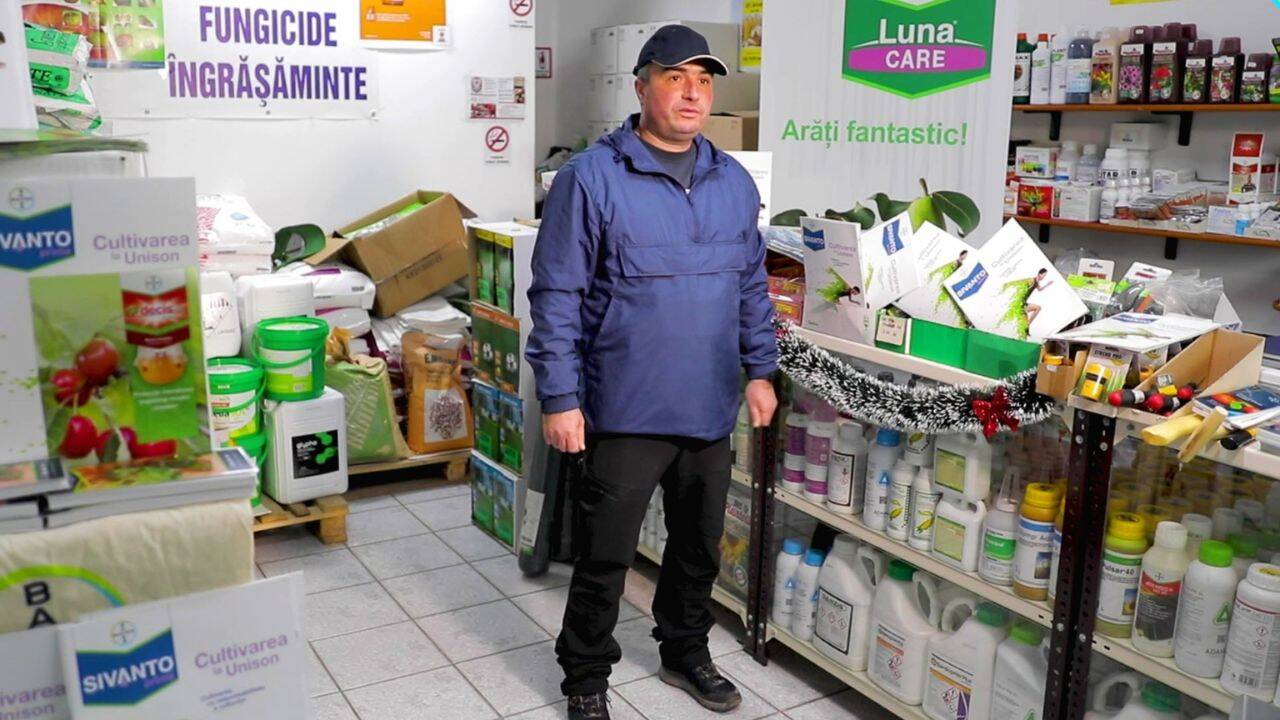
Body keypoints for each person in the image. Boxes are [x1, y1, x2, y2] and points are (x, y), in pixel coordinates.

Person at [525, 24, 778, 720]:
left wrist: (760, 371)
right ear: (641, 87)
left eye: (704, 80)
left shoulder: (732, 183)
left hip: (708, 402)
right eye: (674, 77)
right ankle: (585, 678)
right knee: (606, 558)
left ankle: (684, 653)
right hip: (624, 407)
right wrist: (560, 397)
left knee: (698, 550)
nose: (692, 92)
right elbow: (556, 294)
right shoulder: (591, 178)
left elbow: (749, 286)